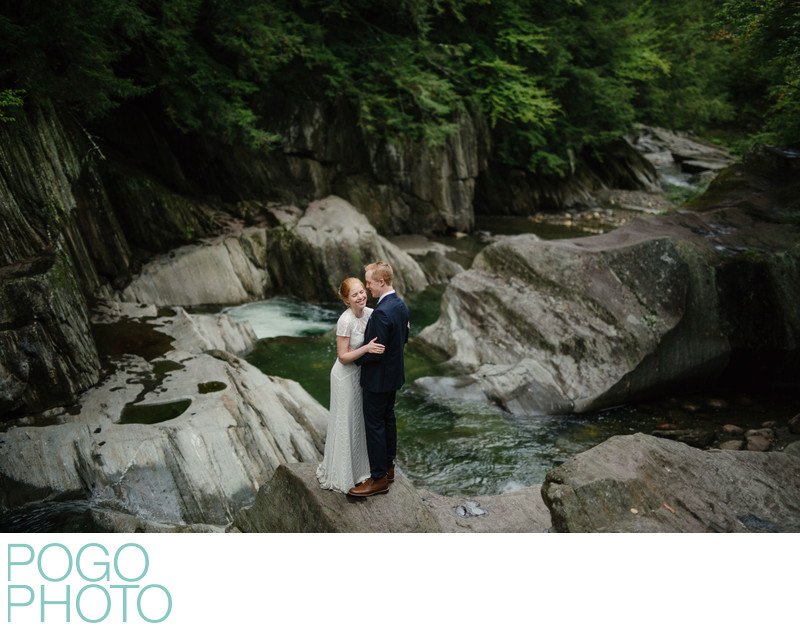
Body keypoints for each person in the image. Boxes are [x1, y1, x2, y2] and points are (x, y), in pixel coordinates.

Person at [316, 277, 385, 493]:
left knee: (359, 421)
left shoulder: (370, 313)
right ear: (347, 299)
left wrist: (404, 322)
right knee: (345, 421)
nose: (361, 296)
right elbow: (343, 356)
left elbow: (389, 319)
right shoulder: (345, 321)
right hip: (345, 377)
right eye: (355, 295)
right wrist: (366, 349)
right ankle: (342, 474)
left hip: (360, 376)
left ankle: (360, 471)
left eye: (362, 292)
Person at [348, 261, 410, 497]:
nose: (367, 287)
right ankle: (389, 467)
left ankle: (378, 478)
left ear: (381, 282)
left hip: (377, 379)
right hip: (394, 376)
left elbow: (375, 350)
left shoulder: (382, 312)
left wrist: (356, 359)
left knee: (374, 426)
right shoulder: (400, 305)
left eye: (369, 282)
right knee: (388, 420)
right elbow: (403, 337)